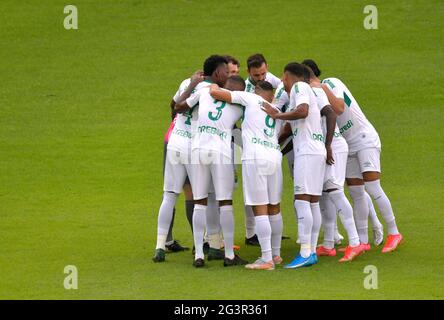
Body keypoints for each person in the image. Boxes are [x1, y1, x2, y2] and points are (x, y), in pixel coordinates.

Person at [309, 60, 403, 252]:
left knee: (373, 187)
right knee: (356, 193)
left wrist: (321, 87)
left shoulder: (331, 82)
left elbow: (340, 108)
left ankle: (394, 232)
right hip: (349, 145)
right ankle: (362, 241)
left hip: (364, 139)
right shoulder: (316, 93)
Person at [175, 55, 248, 267]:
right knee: (225, 203)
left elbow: (179, 107)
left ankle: (199, 254)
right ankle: (228, 256)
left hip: (198, 149)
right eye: (226, 71)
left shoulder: (205, 91)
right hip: (221, 152)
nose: (227, 74)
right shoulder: (241, 103)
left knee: (200, 202)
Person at [209, 80, 284, 270]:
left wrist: (211, 85)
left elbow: (218, 94)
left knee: (260, 208)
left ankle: (266, 259)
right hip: (274, 157)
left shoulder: (250, 97)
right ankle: (276, 254)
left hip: (255, 157)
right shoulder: (275, 109)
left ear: (257, 90)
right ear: (271, 95)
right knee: (274, 207)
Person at [262, 62, 328, 268]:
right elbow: (294, 124)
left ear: (292, 77)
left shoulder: (300, 87)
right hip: (316, 150)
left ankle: (306, 252)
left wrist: (277, 115)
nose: (283, 81)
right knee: (313, 202)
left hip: (307, 151)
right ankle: (312, 250)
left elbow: (302, 112)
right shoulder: (307, 90)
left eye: (285, 78)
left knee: (301, 201)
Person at [302, 66, 367, 262]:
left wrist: (328, 145)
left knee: (335, 191)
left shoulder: (315, 91)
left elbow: (332, 113)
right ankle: (329, 244)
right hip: (326, 145)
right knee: (325, 193)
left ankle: (355, 243)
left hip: (333, 146)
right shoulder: (310, 91)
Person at [153, 71, 207, 262]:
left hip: (175, 141)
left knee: (169, 196)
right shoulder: (213, 90)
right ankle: (200, 251)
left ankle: (160, 246)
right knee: (198, 197)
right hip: (193, 145)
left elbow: (174, 105)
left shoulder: (186, 82)